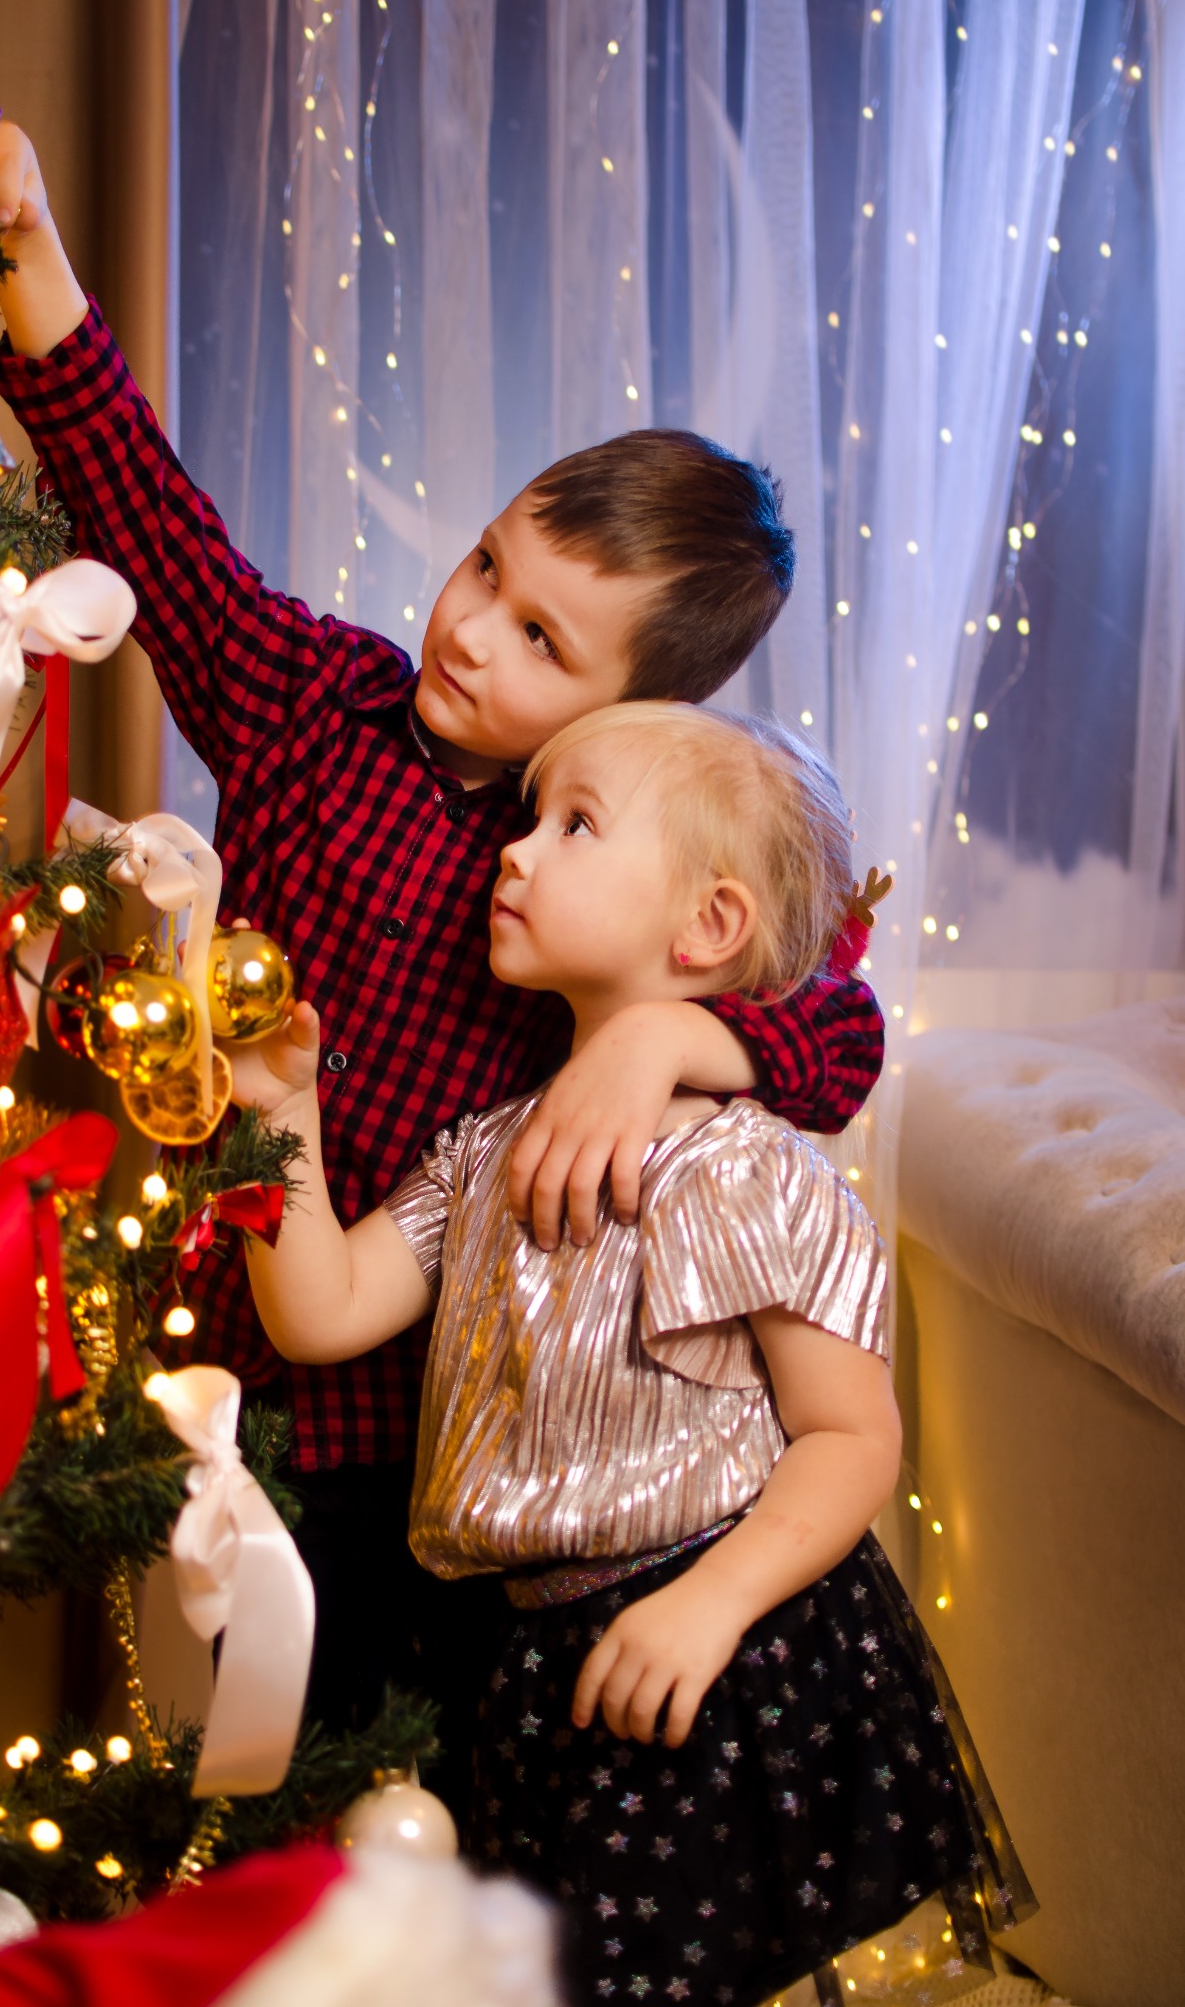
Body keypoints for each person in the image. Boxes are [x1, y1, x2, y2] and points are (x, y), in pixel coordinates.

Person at [0, 128, 886, 1753]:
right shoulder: (315, 697)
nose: (466, 629)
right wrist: (35, 259)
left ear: (636, 711)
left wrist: (675, 1039)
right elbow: (154, 521)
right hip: (227, 1324)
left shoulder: (605, 879)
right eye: (485, 567)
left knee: (404, 1776)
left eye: (541, 637)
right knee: (211, 1738)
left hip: (439, 1433)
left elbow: (841, 1030)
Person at [234, 703, 1035, 2007]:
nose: (514, 853)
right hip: (533, 1658)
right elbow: (318, 1313)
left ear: (708, 926)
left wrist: (710, 1605)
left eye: (574, 825)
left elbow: (853, 1436)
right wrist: (280, 1120)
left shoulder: (743, 1165)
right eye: (525, 819)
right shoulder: (483, 1150)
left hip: (718, 1648)